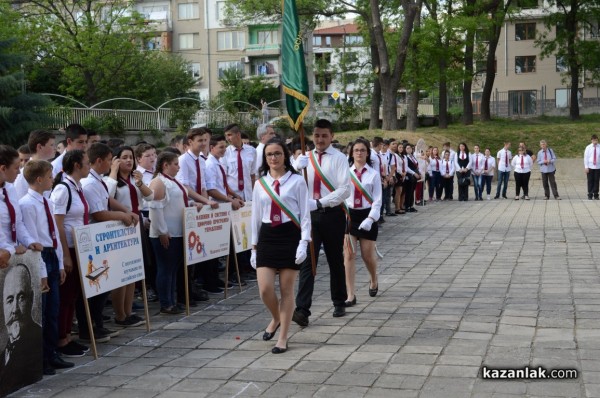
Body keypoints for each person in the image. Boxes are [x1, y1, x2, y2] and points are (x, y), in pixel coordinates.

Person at [251, 138, 310, 354]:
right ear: (265, 159)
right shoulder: (260, 183)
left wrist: (304, 242)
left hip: (290, 235)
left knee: (287, 290)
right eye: (269, 155)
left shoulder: (296, 181)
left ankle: (283, 337)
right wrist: (253, 247)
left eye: (277, 153)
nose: (273, 158)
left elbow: (305, 215)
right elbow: (255, 217)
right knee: (265, 288)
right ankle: (276, 318)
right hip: (267, 235)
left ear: (285, 155)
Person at [292, 119, 351, 325]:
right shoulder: (304, 158)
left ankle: (339, 300)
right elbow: (289, 184)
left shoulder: (339, 158)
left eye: (324, 135)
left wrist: (318, 203)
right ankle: (302, 309)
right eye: (316, 135)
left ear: (331, 136)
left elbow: (345, 190)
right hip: (309, 216)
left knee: (335, 258)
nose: (320, 139)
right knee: (308, 261)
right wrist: (295, 168)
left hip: (331, 213)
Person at [19, 160, 74, 375]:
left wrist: (60, 263)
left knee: (53, 308)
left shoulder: (47, 201)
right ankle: (41, 358)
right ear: (39, 179)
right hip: (40, 256)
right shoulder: (27, 204)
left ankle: (52, 353)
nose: (53, 180)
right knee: (41, 310)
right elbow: (33, 239)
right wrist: (42, 270)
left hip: (52, 254)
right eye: (50, 177)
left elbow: (54, 237)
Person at [147, 152, 202, 314]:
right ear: (165, 165)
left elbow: (176, 201)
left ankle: (171, 300)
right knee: (165, 268)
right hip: (166, 233)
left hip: (178, 231)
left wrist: (192, 204)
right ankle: (166, 303)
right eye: (175, 164)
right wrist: (162, 231)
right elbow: (155, 208)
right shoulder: (158, 182)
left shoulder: (173, 181)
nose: (178, 167)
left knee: (173, 269)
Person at [50, 149, 91, 357]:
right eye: (87, 162)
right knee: (66, 295)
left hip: (79, 247)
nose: (89, 165)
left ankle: (67, 335)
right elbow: (57, 224)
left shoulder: (78, 186)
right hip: (68, 248)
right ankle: (61, 339)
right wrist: (65, 254)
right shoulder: (63, 189)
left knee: (73, 293)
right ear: (76, 165)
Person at [106, 146, 153, 325]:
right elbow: (107, 197)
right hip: (120, 225)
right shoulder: (109, 180)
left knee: (133, 271)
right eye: (124, 157)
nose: (128, 161)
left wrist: (141, 183)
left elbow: (150, 198)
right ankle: (119, 314)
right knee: (121, 272)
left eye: (131, 158)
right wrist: (113, 172)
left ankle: (128, 311)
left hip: (136, 224)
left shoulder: (135, 179)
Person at [343, 138, 382, 309]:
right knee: (349, 255)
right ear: (351, 153)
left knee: (367, 255)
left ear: (368, 153)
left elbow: (378, 200)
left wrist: (371, 218)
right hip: (350, 216)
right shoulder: (345, 173)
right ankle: (350, 294)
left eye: (362, 150)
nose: (359, 153)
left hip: (367, 215)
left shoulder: (373, 174)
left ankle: (373, 278)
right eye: (356, 150)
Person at [0, 264, 43, 396]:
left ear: (31, 298)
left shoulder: (36, 341)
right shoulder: (4, 353)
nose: (15, 309)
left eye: (21, 298)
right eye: (9, 300)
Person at [13, 130, 57, 199]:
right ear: (39, 147)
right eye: (51, 145)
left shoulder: (49, 169)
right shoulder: (23, 174)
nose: (55, 148)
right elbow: (20, 200)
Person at [403, 144, 421, 212]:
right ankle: (407, 206)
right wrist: (414, 173)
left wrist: (418, 173)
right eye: (407, 148)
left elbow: (416, 165)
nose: (409, 149)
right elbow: (406, 167)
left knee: (412, 190)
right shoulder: (405, 157)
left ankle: (411, 205)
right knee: (408, 191)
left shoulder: (412, 156)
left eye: (410, 148)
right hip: (409, 175)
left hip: (415, 175)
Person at [584, 134, 600, 200]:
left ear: (597, 140)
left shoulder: (599, 147)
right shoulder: (588, 147)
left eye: (596, 140)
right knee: (590, 181)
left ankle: (596, 194)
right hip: (590, 166)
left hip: (598, 167)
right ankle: (590, 194)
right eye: (593, 140)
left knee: (596, 181)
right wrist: (586, 167)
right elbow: (586, 157)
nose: (595, 141)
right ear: (591, 140)